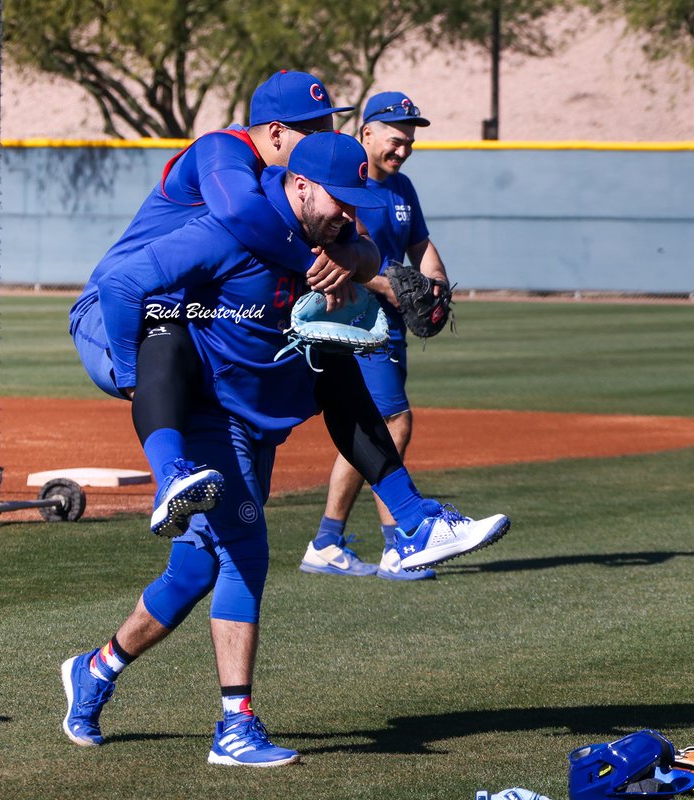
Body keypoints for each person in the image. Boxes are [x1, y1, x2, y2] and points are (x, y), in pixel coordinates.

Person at [61, 132, 511, 767]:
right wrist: (137, 381)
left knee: (194, 571)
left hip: (264, 409)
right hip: (215, 415)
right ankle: (234, 727)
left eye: (357, 205)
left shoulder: (330, 239)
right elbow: (127, 283)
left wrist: (369, 270)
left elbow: (363, 246)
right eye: (339, 202)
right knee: (247, 554)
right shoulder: (227, 230)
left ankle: (96, 669)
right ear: (298, 185)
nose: (349, 215)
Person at [68, 70, 380, 537]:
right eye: (315, 128)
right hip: (117, 309)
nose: (328, 137)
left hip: (189, 318)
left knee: (221, 547)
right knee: (165, 345)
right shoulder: (224, 150)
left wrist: (351, 255)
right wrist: (316, 264)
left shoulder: (296, 190)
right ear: (276, 133)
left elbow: (366, 249)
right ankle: (168, 477)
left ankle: (413, 514)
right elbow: (239, 212)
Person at [298, 91, 453, 581]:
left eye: (409, 142)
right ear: (366, 133)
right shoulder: (350, 183)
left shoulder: (404, 189)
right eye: (395, 140)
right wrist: (406, 293)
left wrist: (438, 288)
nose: (402, 150)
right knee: (394, 422)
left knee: (366, 429)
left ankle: (326, 540)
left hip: (391, 324)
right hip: (361, 321)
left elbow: (422, 248)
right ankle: (400, 543)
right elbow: (351, 260)